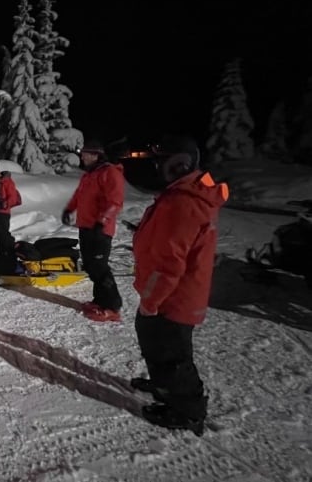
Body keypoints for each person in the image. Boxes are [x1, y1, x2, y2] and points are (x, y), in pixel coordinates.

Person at [131, 135, 228, 436]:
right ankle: (163, 386)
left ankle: (188, 411)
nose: (166, 170)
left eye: (174, 165)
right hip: (173, 294)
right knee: (157, 343)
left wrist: (151, 301)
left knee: (171, 353)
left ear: (186, 165)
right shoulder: (182, 196)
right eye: (164, 164)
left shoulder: (182, 202)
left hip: (172, 298)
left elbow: (169, 264)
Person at [62, 139, 125, 322]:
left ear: (96, 155)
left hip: (100, 229)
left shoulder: (109, 172)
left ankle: (112, 306)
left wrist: (101, 221)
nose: (82, 157)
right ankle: (100, 301)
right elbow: (78, 195)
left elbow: (115, 202)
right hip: (86, 227)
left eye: (86, 154)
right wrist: (69, 209)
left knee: (99, 267)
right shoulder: (88, 175)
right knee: (90, 266)